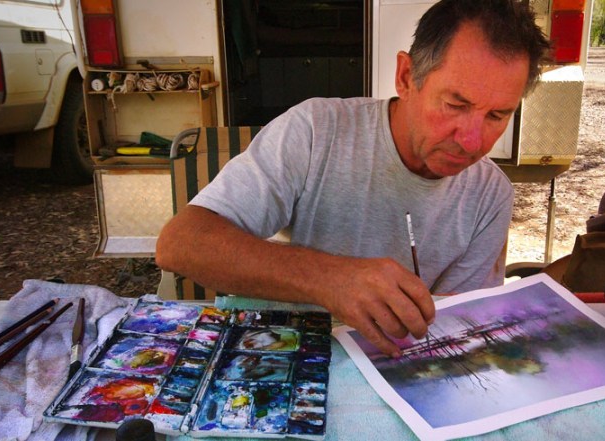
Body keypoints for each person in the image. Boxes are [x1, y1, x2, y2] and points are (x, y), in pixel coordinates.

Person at [157, 0, 550, 357]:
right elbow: (181, 244)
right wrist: (329, 278)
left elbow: (460, 328)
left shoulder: (490, 194)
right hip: (284, 353)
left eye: (497, 116)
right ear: (406, 76)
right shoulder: (316, 130)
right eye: (455, 105)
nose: (471, 141)